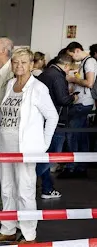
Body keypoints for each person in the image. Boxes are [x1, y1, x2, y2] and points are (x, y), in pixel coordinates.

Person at [0, 48, 58, 244]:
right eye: (15, 62)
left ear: (32, 65)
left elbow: (52, 116)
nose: (19, 66)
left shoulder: (38, 88)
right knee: (7, 189)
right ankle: (8, 229)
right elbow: (3, 113)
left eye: (24, 62)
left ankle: (29, 233)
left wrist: (43, 145)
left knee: (25, 190)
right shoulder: (10, 84)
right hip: (6, 146)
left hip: (26, 148)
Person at [36, 49, 74, 200]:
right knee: (51, 156)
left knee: (44, 155)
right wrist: (73, 98)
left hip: (42, 120)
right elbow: (63, 99)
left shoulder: (45, 74)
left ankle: (47, 187)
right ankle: (28, 181)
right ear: (66, 65)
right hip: (56, 121)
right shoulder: (58, 77)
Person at [61, 42, 95, 179]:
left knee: (71, 134)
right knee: (81, 136)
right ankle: (81, 167)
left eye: (71, 56)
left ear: (76, 50)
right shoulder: (85, 62)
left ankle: (71, 167)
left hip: (82, 103)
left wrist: (71, 79)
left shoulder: (89, 62)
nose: (71, 60)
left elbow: (89, 83)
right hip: (84, 102)